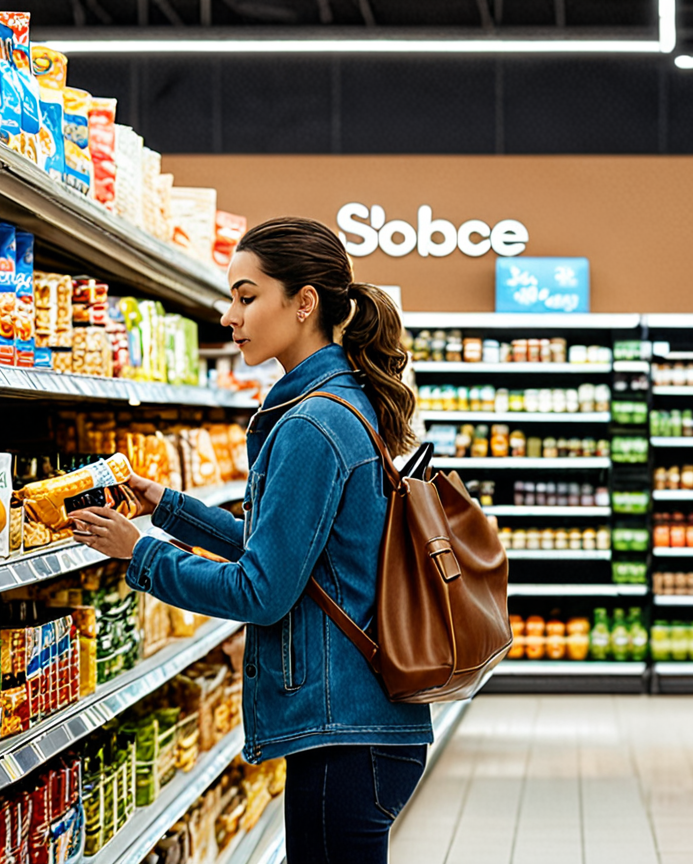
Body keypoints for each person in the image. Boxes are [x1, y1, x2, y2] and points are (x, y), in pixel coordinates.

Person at [68, 216, 430, 863]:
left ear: (304, 303)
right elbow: (285, 552)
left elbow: (262, 591)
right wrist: (168, 509)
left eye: (245, 296)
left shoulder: (313, 425)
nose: (230, 317)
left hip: (342, 733)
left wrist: (138, 552)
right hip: (357, 724)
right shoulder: (337, 403)